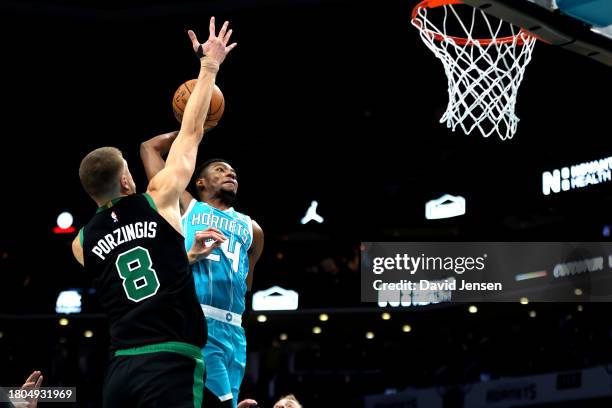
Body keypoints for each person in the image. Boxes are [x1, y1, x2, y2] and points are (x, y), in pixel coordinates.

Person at [71, 17, 236, 407]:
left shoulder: (80, 243)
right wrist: (209, 66)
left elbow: (132, 266)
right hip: (170, 361)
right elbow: (192, 132)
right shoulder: (158, 198)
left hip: (120, 371)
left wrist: (186, 257)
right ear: (128, 181)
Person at [140, 132, 263, 407]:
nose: (230, 174)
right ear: (201, 182)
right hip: (200, 323)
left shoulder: (253, 229)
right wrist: (192, 128)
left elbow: (245, 284)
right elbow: (148, 149)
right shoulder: (186, 206)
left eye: (233, 172)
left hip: (236, 332)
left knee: (227, 403)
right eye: (220, 170)